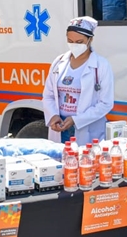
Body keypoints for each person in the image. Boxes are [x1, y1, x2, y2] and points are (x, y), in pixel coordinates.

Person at [42, 17, 115, 145]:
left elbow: (106, 103)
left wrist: (76, 120)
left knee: (85, 161)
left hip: (87, 129)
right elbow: (48, 95)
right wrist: (53, 115)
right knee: (62, 161)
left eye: (79, 41)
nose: (74, 45)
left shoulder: (101, 65)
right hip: (60, 127)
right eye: (70, 41)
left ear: (90, 40)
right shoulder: (59, 62)